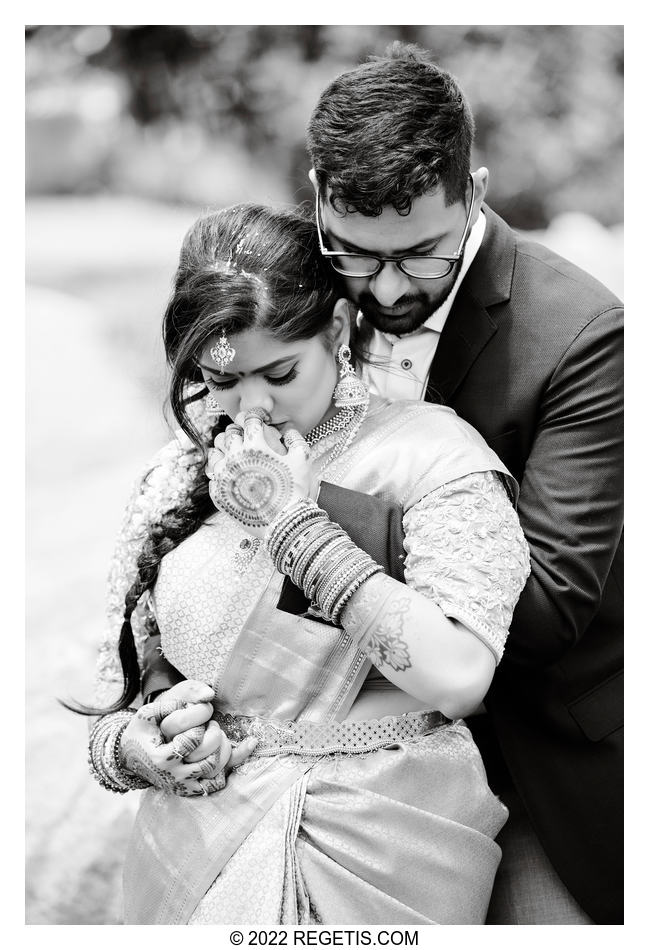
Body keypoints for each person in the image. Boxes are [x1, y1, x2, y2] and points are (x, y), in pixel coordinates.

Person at [80, 202, 530, 925]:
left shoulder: (429, 459)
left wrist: (292, 524)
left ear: (338, 330)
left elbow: (458, 677)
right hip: (196, 846)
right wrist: (134, 748)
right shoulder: (176, 476)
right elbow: (128, 686)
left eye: (280, 372)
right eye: (219, 381)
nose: (249, 407)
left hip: (373, 845)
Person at [301, 43, 623, 925]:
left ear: (474, 192)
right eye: (358, 256)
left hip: (530, 752)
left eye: (422, 257)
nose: (387, 288)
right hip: (323, 752)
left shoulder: (581, 332)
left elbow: (551, 606)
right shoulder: (301, 293)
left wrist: (308, 538)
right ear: (319, 195)